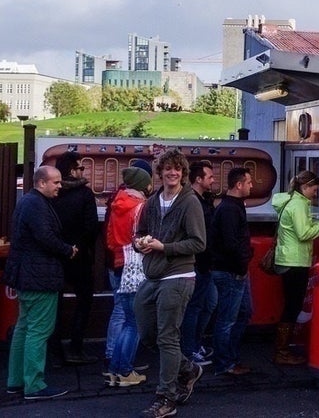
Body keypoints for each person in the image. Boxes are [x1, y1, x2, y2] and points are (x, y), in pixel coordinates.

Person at [133, 148, 207, 418]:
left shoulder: (190, 202)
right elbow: (140, 232)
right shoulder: (153, 201)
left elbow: (199, 243)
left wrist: (164, 246)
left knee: (167, 336)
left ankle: (166, 398)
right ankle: (188, 369)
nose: (172, 173)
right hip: (153, 274)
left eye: (177, 168)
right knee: (147, 333)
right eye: (168, 169)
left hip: (179, 274)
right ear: (160, 172)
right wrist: (139, 243)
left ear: (183, 173)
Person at [3, 166, 78, 400]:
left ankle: (16, 381)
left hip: (26, 276)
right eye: (55, 182)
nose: (59, 186)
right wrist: (68, 250)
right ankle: (34, 385)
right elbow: (45, 237)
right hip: (40, 277)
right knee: (38, 331)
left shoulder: (27, 202)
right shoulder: (37, 204)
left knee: (23, 329)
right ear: (41, 183)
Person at [270, 170, 319, 365]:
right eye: (314, 189)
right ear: (305, 187)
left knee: (290, 306)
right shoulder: (299, 204)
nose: (315, 194)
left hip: (285, 259)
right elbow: (304, 233)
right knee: (293, 307)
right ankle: (282, 351)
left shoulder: (287, 200)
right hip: (296, 261)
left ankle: (282, 349)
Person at [104, 166, 152, 388]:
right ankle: (125, 371)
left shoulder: (117, 205)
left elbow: (110, 238)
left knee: (124, 319)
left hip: (118, 263)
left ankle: (115, 369)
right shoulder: (141, 207)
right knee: (135, 323)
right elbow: (144, 239)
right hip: (135, 267)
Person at [51, 150, 100, 364]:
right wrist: (81, 247)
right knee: (84, 301)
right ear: (72, 170)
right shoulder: (85, 194)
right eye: (81, 167)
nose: (83, 171)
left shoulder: (53, 193)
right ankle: (75, 348)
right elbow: (91, 228)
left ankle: (55, 353)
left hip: (55, 254)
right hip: (79, 256)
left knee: (55, 305)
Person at [210, 167, 254, 376]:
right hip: (230, 271)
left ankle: (231, 356)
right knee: (227, 318)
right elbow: (230, 243)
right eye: (249, 182)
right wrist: (242, 262)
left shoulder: (233, 206)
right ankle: (224, 362)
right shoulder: (229, 209)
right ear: (239, 185)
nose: (251, 186)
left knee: (244, 312)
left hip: (236, 269)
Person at [180, 160, 218, 366]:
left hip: (207, 262)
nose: (213, 180)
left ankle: (195, 343)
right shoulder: (191, 201)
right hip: (197, 262)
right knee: (194, 307)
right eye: (209, 177)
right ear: (198, 179)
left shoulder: (204, 200)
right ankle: (189, 350)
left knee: (209, 303)